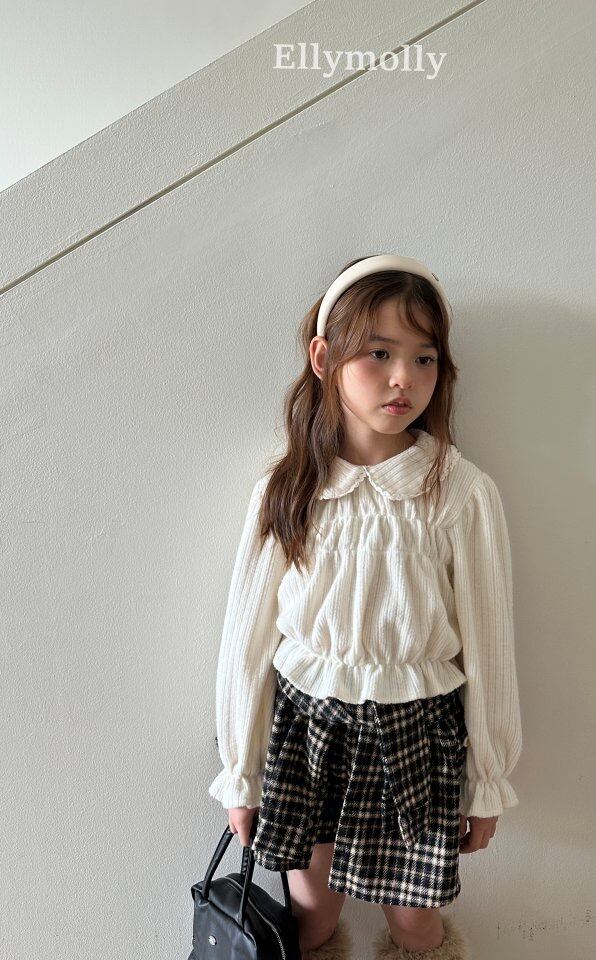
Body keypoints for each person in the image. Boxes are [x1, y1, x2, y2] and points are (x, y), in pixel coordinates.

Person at [208, 253, 522, 960]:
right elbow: (246, 642)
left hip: (415, 734)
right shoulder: (289, 489)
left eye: (424, 358)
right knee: (311, 915)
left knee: (414, 923)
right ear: (325, 358)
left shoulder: (459, 493)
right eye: (378, 353)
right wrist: (241, 772)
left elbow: (490, 644)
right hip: (308, 732)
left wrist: (488, 781)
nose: (403, 377)